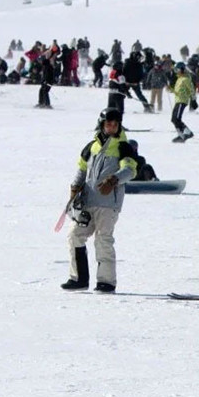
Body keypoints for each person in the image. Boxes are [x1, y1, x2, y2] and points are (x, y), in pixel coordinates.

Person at [61, 108, 138, 293]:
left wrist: (114, 180)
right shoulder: (91, 146)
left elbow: (131, 170)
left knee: (103, 240)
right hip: (87, 202)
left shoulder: (123, 146)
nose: (111, 127)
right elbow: (82, 169)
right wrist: (74, 188)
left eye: (115, 124)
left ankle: (106, 282)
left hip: (108, 204)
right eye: (108, 124)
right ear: (102, 124)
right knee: (75, 235)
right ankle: (78, 278)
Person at [170, 62, 196, 142]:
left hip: (182, 101)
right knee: (173, 119)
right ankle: (180, 135)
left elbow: (191, 90)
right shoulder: (179, 79)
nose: (176, 71)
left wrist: (193, 100)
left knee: (177, 118)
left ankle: (187, 132)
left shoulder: (186, 79)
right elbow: (177, 90)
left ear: (182, 70)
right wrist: (170, 88)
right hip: (178, 100)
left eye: (177, 70)